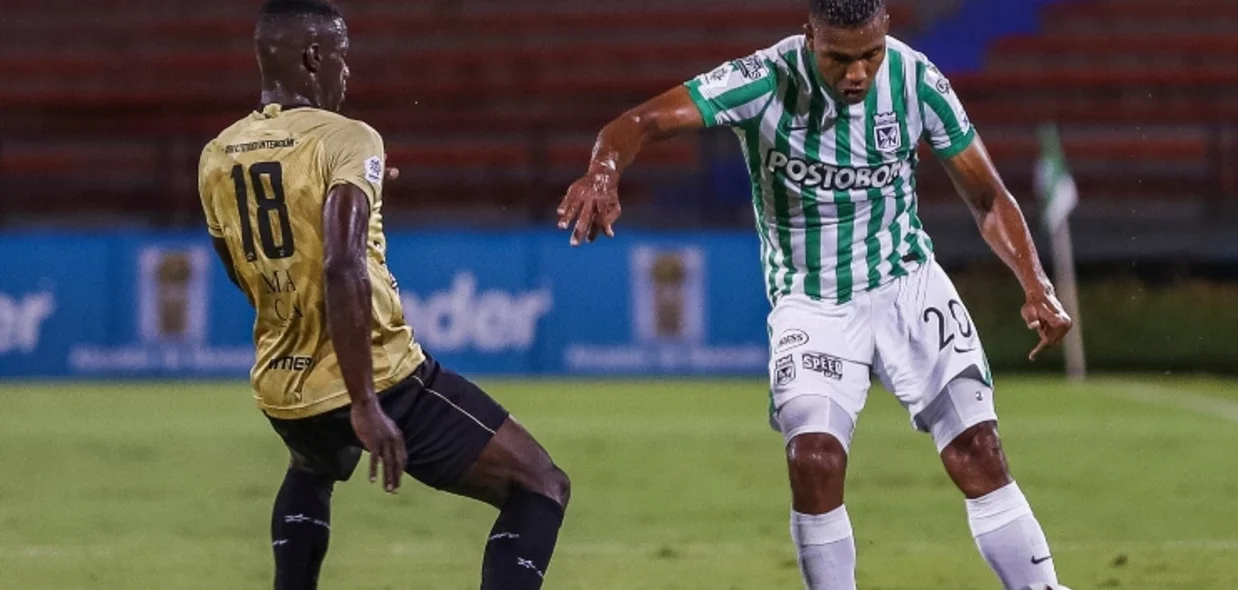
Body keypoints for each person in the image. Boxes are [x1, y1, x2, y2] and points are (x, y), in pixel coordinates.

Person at [556, 0, 1070, 588]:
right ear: (810, 38)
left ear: (885, 32)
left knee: (978, 449)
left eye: (870, 54)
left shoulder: (917, 79)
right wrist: (604, 170)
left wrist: (1036, 283)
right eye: (838, 58)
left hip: (906, 281)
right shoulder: (763, 79)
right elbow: (639, 122)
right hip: (812, 299)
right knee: (814, 460)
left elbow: (988, 196)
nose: (857, 73)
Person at [196, 2, 568, 588]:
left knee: (316, 463)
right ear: (314, 56)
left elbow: (242, 268)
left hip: (282, 387)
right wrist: (365, 401)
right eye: (341, 55)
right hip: (378, 376)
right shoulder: (348, 137)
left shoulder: (219, 152)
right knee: (540, 485)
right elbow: (343, 262)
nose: (347, 71)